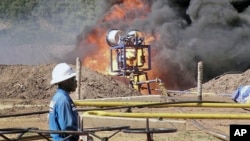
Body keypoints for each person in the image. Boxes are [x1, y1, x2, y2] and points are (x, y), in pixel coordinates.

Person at [49, 63, 79, 141]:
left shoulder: (58, 97)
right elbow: (67, 128)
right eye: (73, 78)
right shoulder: (63, 100)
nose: (76, 81)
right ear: (65, 81)